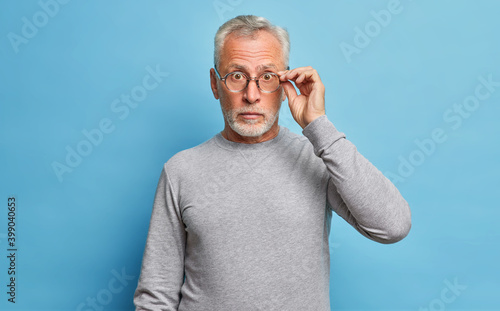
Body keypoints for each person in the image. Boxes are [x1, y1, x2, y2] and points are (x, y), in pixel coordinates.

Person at [133, 15, 411, 311]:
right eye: (237, 76)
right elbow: (156, 297)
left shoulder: (317, 159)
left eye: (267, 77)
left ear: (285, 83)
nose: (251, 96)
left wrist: (318, 126)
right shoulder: (181, 170)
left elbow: (392, 226)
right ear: (216, 84)